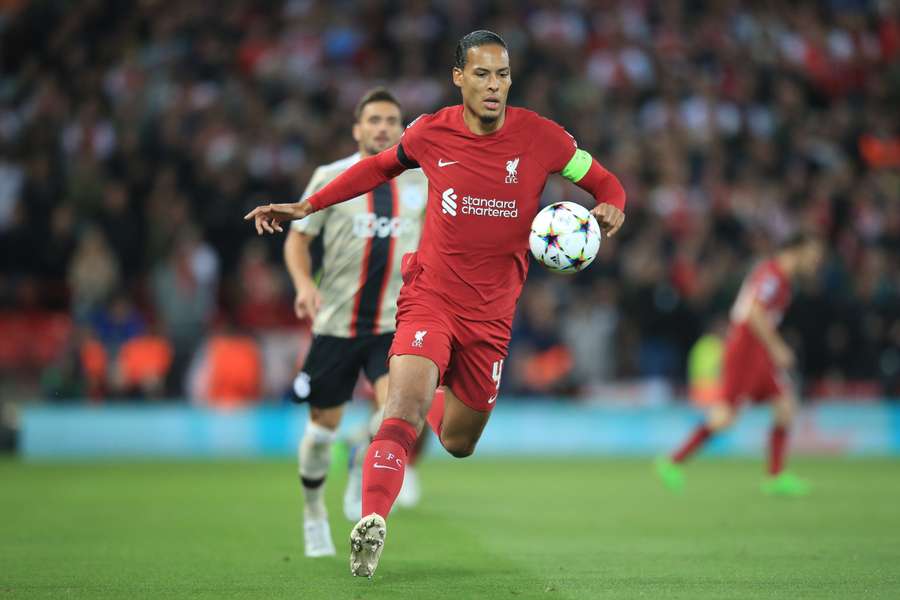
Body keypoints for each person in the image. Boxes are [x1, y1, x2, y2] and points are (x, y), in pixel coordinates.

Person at [245, 31, 626, 577]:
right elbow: (375, 169)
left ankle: (434, 404)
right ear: (459, 78)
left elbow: (607, 182)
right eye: (481, 75)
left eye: (502, 75)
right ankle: (372, 522)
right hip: (430, 297)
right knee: (401, 411)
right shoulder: (430, 131)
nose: (493, 86)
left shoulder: (544, 138)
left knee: (458, 441)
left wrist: (612, 205)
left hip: (492, 316)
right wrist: (307, 206)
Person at [282, 88, 428, 558]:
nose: (383, 127)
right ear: (357, 128)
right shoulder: (329, 177)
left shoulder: (421, 183)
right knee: (321, 433)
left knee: (394, 414)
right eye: (374, 120)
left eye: (391, 120)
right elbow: (298, 239)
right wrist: (304, 285)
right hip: (336, 325)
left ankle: (362, 478)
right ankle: (312, 514)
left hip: (393, 324)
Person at [655, 232, 825, 496]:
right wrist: (778, 347)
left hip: (756, 349)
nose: (817, 261)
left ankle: (775, 476)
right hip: (746, 349)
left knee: (785, 406)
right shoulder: (772, 275)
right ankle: (672, 461)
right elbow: (755, 314)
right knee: (725, 416)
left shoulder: (782, 278)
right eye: (814, 254)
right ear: (798, 249)